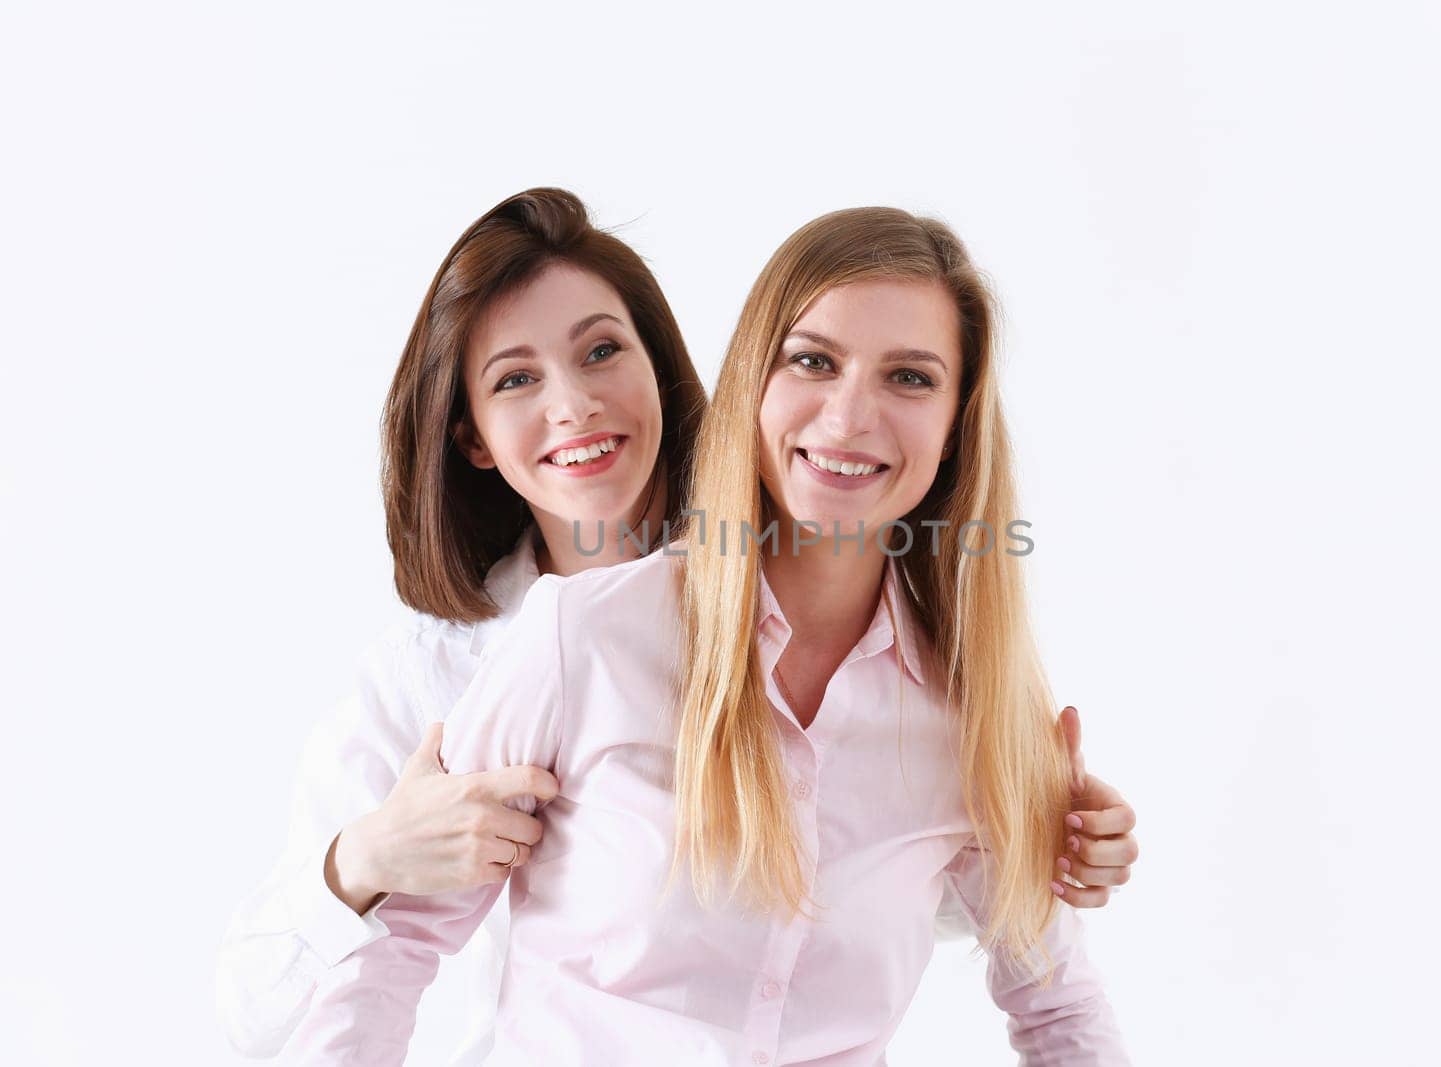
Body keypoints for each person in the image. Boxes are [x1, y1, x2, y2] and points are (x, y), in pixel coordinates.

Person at [217, 191, 1140, 1061]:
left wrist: (1036, 840)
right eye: (813, 360)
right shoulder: (558, 640)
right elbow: (371, 961)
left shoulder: (966, 696)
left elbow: (1040, 985)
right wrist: (362, 859)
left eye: (909, 376)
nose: (573, 404)